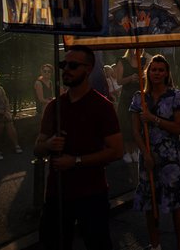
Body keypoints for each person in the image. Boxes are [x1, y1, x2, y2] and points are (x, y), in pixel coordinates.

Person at [34, 45, 123, 250]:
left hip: (91, 193)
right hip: (57, 194)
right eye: (64, 64)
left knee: (97, 244)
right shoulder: (53, 106)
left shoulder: (103, 106)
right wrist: (48, 144)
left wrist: (75, 161)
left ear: (89, 69)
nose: (66, 69)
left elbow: (116, 150)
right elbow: (37, 148)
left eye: (73, 65)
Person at [130, 55, 180, 250]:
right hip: (147, 156)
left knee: (176, 202)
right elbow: (135, 131)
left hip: (170, 156)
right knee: (150, 201)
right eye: (153, 69)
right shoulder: (139, 98)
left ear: (166, 73)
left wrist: (153, 118)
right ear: (147, 72)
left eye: (161, 70)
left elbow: (177, 128)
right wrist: (145, 153)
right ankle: (155, 244)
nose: (156, 73)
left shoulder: (176, 96)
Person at [115, 49, 147, 163]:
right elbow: (119, 81)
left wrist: (143, 77)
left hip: (139, 96)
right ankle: (127, 151)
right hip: (126, 98)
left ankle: (135, 150)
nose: (137, 51)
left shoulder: (143, 60)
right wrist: (130, 78)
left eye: (139, 49)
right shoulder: (122, 61)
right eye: (134, 48)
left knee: (138, 124)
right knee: (126, 124)